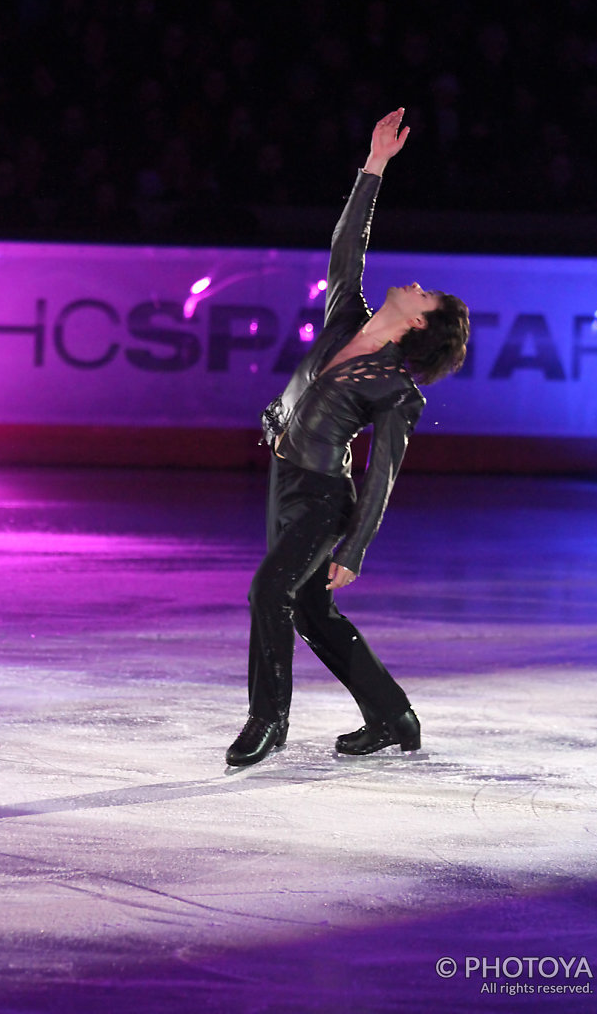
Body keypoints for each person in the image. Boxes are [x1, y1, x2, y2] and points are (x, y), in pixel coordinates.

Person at [226, 108, 470, 767]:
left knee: (268, 592)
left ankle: (266, 721)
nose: (415, 286)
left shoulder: (395, 388)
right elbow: (346, 249)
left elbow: (382, 471)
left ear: (418, 328)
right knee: (307, 612)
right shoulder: (346, 317)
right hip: (283, 480)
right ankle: (393, 716)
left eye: (425, 296)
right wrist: (373, 166)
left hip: (319, 497)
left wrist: (354, 547)